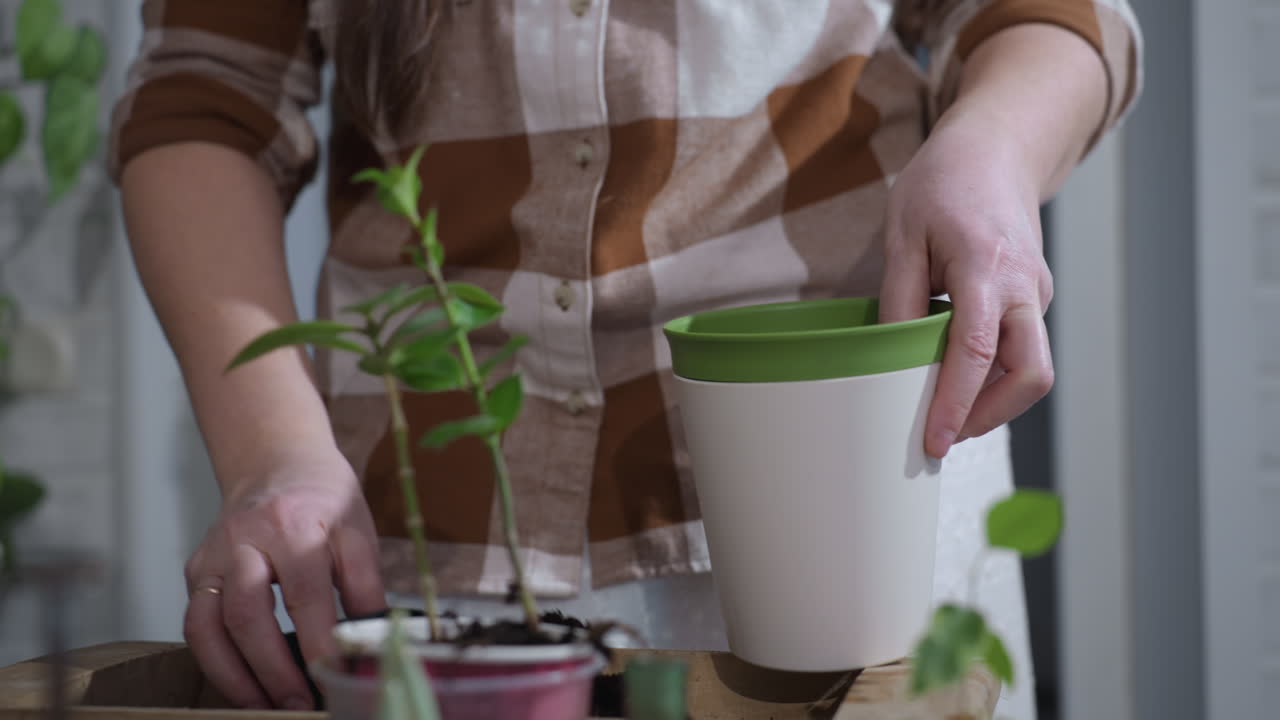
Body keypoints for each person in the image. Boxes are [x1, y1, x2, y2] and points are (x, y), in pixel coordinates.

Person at [109, 2, 1141, 718]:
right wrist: (272, 450)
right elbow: (207, 98)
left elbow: (1041, 13)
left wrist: (991, 153)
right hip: (430, 554)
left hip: (854, 496)